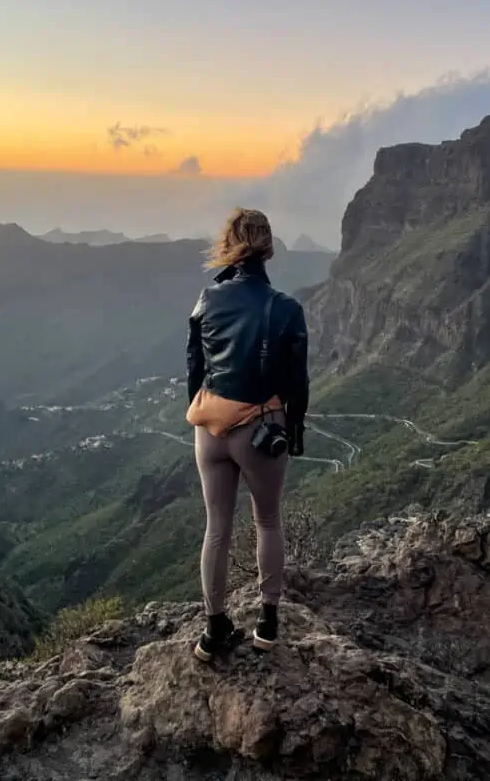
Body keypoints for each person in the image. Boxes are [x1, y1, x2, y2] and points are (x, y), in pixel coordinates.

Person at [186, 207, 309, 662]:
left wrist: (201, 408)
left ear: (229, 244)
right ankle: (267, 624)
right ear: (269, 246)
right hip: (259, 429)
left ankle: (214, 627)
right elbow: (298, 383)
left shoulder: (207, 298)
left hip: (209, 428)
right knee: (268, 521)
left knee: (215, 526)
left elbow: (195, 366)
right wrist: (292, 429)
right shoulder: (286, 308)